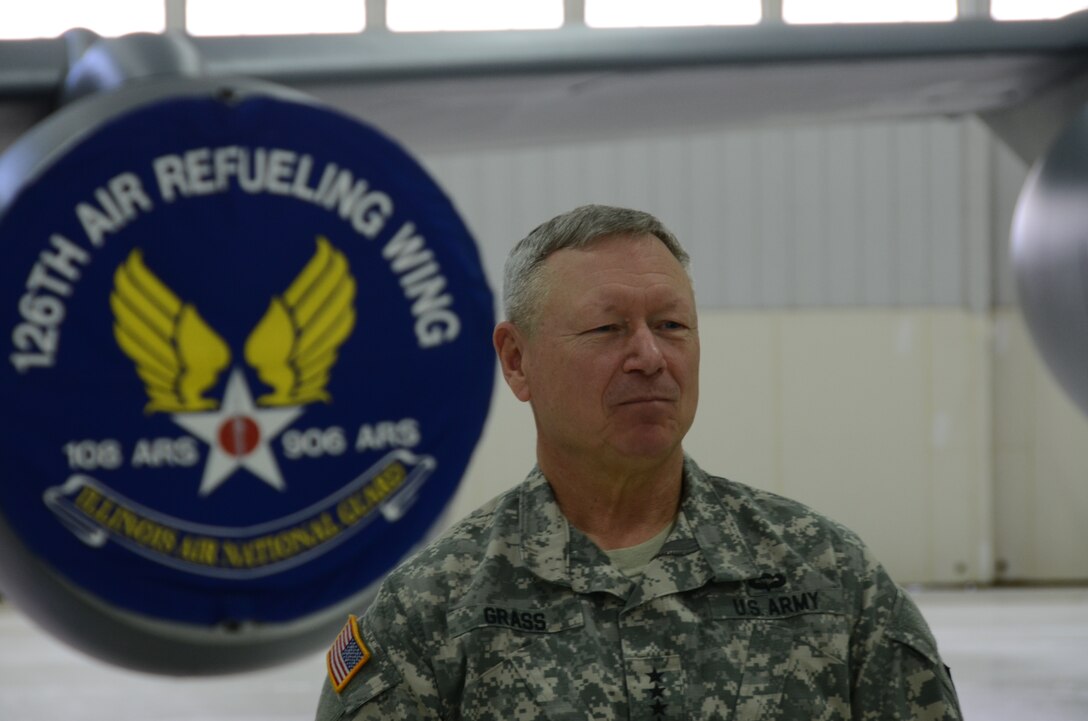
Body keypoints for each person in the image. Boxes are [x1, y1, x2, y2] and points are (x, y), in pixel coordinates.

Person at [315, 204, 962, 720]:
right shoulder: (433, 609)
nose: (651, 355)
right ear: (517, 360)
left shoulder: (831, 579)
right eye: (608, 329)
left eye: (672, 325)